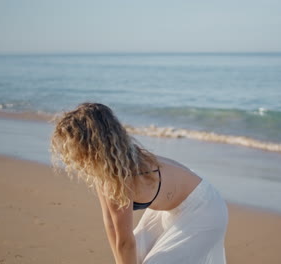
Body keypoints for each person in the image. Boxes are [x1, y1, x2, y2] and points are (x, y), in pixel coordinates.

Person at [50, 103, 228, 264]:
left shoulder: (120, 178)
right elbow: (111, 224)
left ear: (92, 145)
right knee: (136, 256)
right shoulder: (105, 169)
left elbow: (125, 242)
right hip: (172, 207)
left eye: (73, 146)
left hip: (204, 208)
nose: (71, 154)